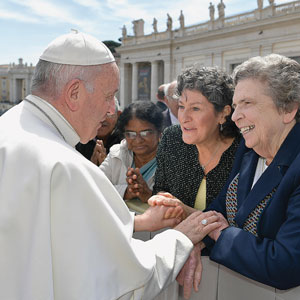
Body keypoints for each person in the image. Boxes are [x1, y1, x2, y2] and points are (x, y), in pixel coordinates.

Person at [0, 30, 222, 300]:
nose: (111, 111)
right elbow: (124, 281)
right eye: (108, 96)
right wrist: (182, 238)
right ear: (74, 92)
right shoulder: (65, 165)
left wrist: (137, 222)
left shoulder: (10, 128)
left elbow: (57, 226)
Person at [151, 54, 300, 292]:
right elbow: (220, 209)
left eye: (247, 103)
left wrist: (219, 233)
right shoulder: (249, 148)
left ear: (288, 109)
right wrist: (195, 242)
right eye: (236, 104)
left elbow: (286, 263)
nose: (235, 116)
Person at [153, 66, 240, 213]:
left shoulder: (245, 151)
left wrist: (184, 211)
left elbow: (239, 223)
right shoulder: (171, 139)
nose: (184, 118)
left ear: (223, 113)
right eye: (181, 106)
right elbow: (160, 190)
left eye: (195, 109)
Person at [100, 100, 162, 202]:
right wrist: (126, 192)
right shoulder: (117, 154)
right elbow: (95, 187)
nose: (138, 140)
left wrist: (149, 195)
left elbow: (178, 204)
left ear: (159, 133)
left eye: (145, 133)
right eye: (131, 134)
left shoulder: (171, 160)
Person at [76, 96, 122, 166]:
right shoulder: (79, 141)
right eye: (96, 113)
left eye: (108, 113)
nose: (102, 119)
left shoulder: (126, 142)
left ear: (118, 115)